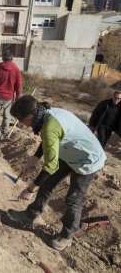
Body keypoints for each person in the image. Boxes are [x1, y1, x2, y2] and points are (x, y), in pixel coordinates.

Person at [6, 96, 106, 251]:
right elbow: (47, 139)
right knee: (47, 184)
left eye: (20, 119)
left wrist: (30, 189)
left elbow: (50, 164)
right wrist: (34, 159)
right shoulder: (46, 114)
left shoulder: (49, 125)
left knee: (73, 199)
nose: (21, 123)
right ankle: (30, 215)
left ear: (30, 116)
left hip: (88, 159)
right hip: (69, 152)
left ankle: (67, 237)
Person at [0, 50, 22, 141]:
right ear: (12, 58)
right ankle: (5, 131)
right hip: (9, 98)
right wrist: (18, 97)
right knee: (7, 115)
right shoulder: (16, 70)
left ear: (3, 59)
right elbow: (19, 86)